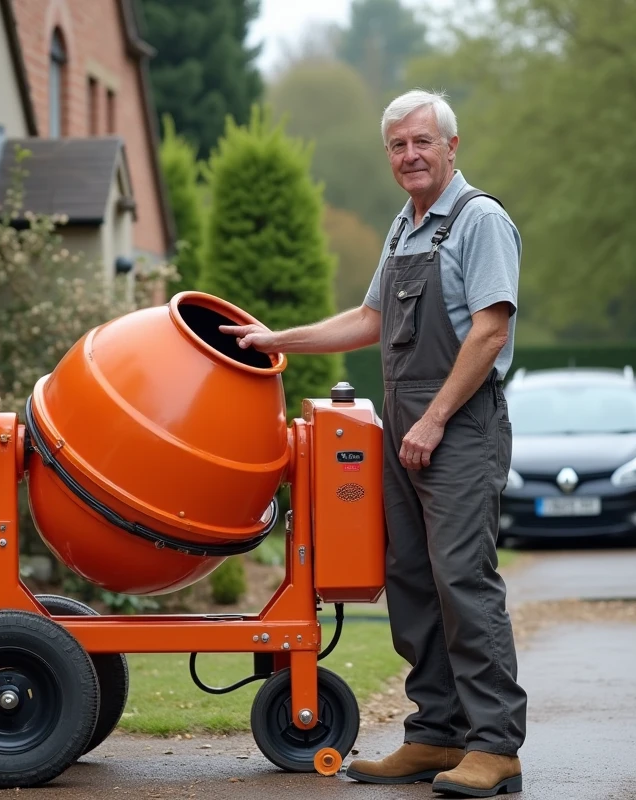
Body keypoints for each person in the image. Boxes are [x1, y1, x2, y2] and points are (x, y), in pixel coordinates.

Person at [220, 89, 526, 797]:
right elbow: (366, 318)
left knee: (462, 583)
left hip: (459, 427)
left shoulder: (479, 221)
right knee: (411, 580)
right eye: (397, 145)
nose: (410, 155)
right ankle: (435, 733)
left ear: (452, 146)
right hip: (409, 429)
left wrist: (435, 419)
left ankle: (496, 746)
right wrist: (277, 338)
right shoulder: (404, 227)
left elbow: (490, 331)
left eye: (422, 142)